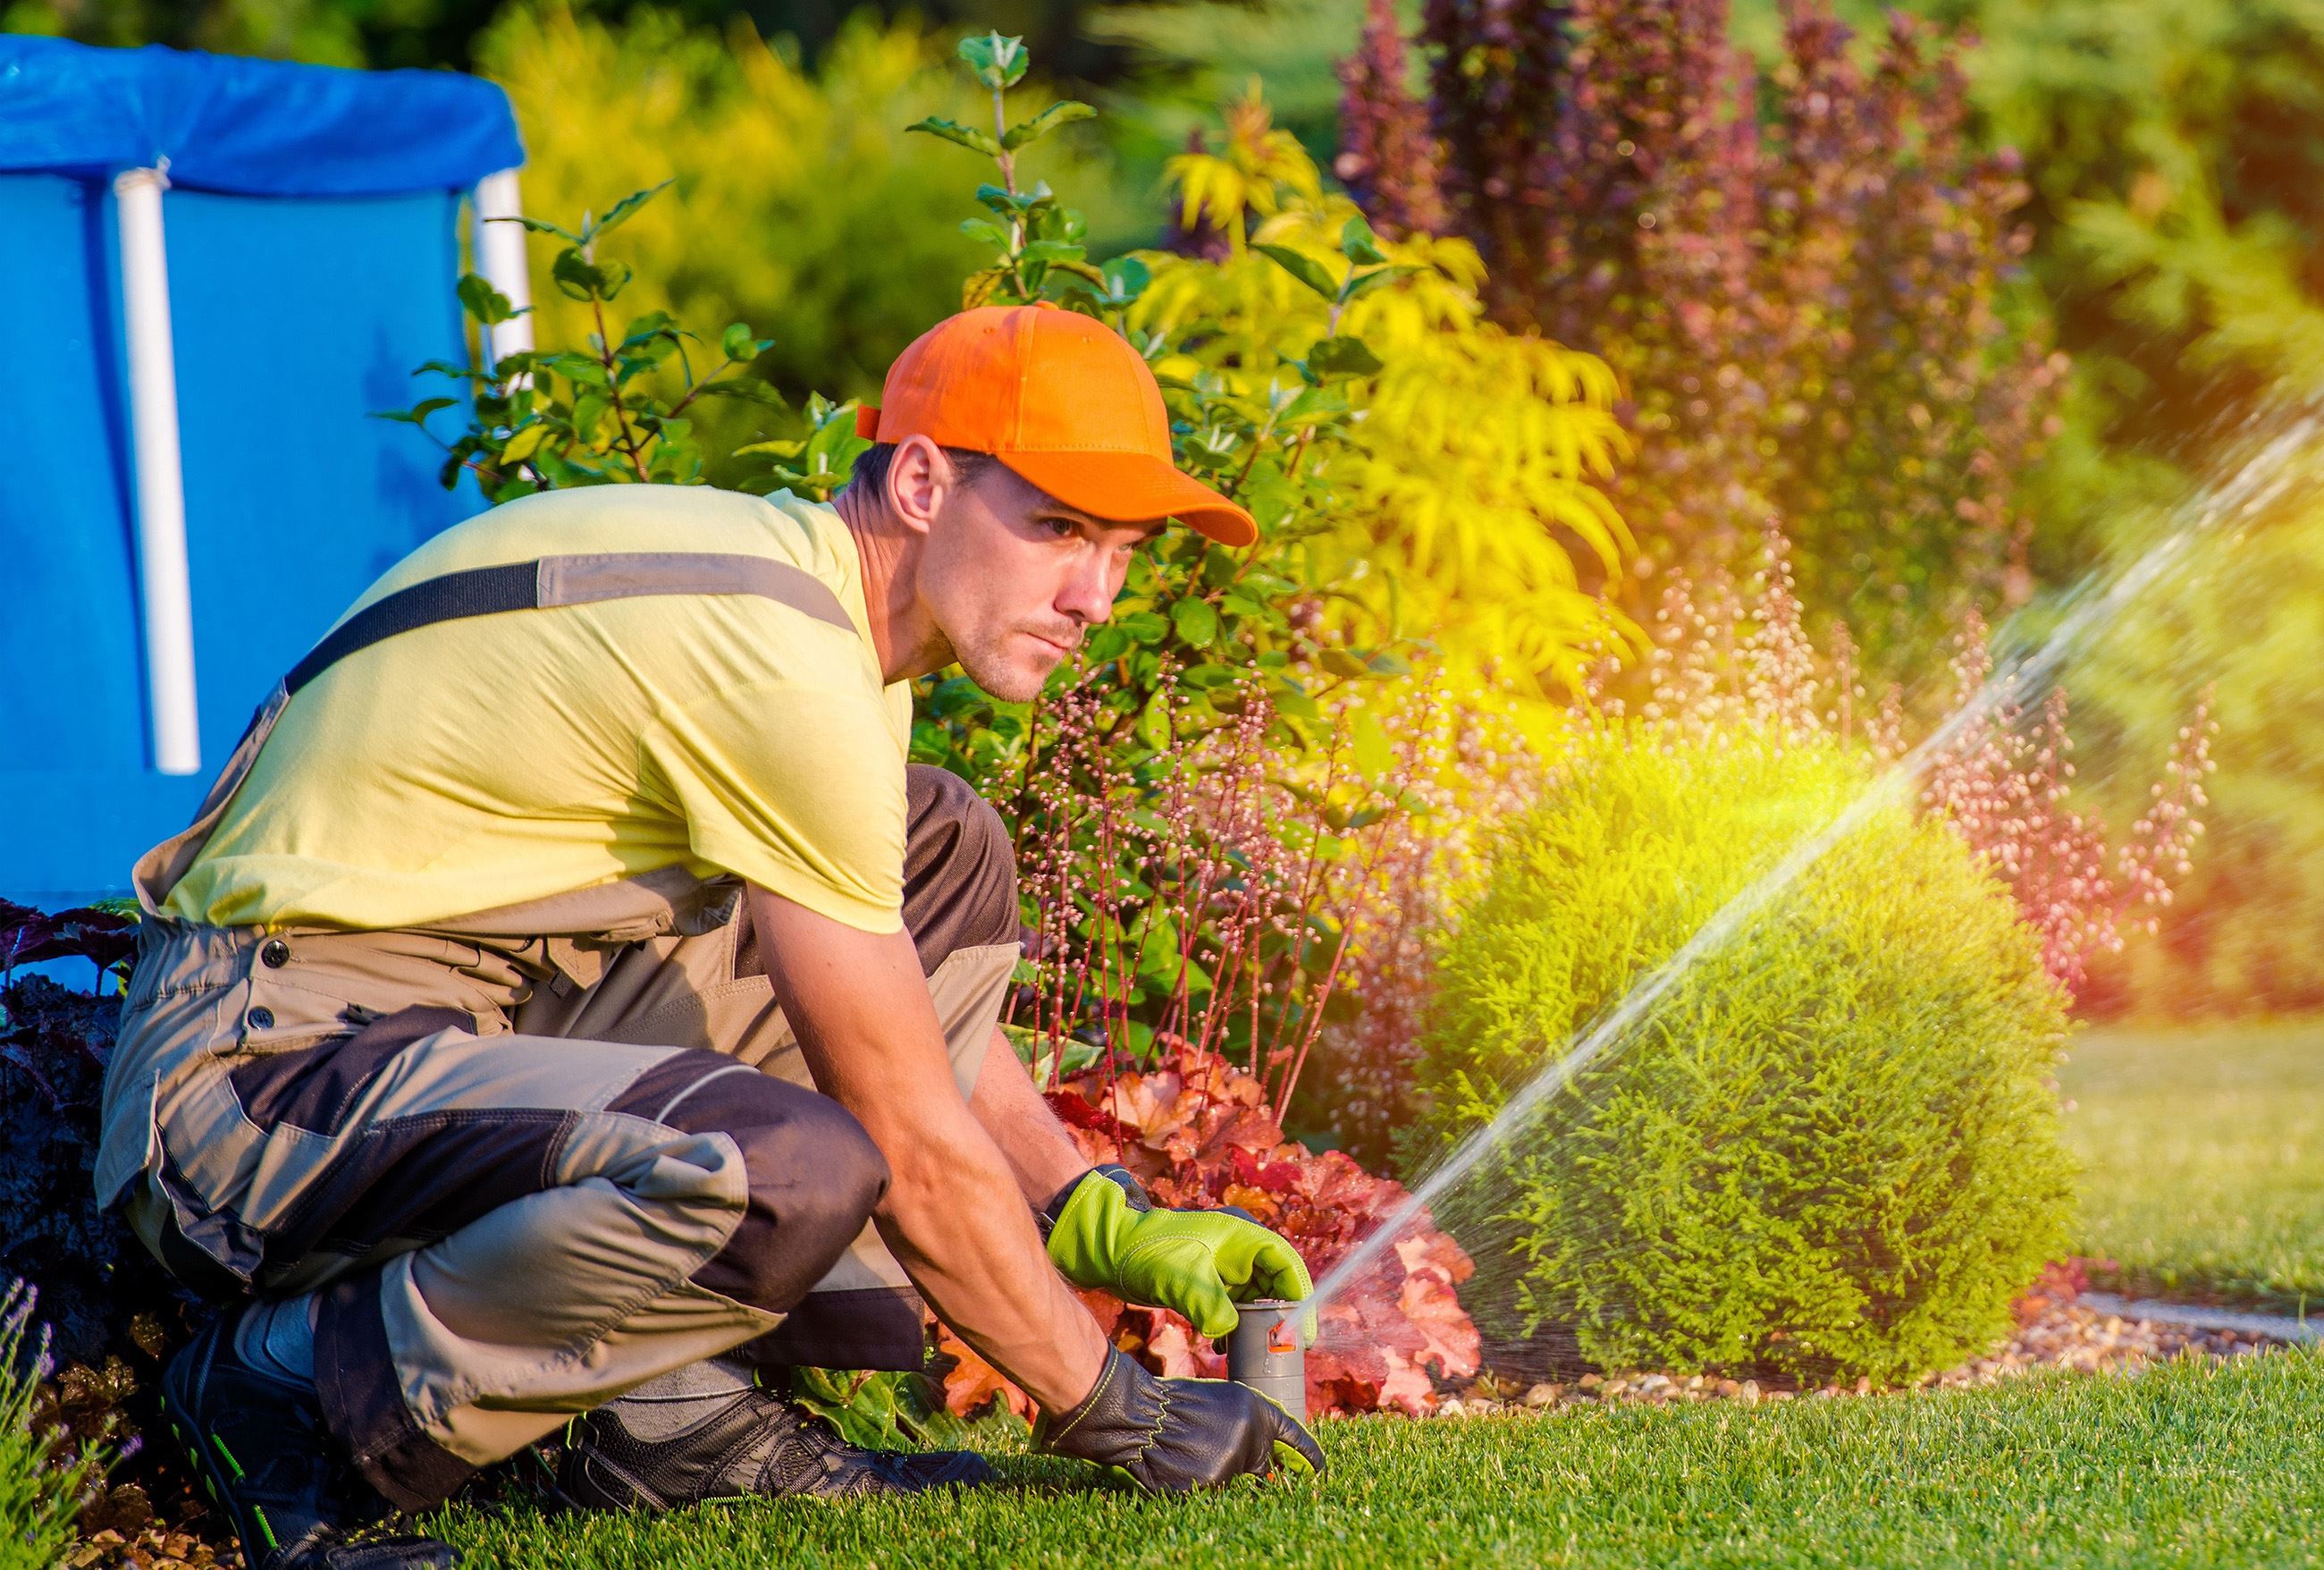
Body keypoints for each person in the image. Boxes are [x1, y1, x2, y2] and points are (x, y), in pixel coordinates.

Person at [97, 301, 1326, 1570]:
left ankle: (655, 1422)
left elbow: (894, 1009)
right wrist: (1113, 1408)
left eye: (1121, 550)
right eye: (1059, 530)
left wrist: (1081, 1206)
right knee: (776, 1172)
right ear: (919, 482)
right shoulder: (783, 656)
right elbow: (899, 1121)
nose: (1097, 598)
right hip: (256, 1081)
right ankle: (292, 1392)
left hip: (459, 1023)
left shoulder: (822, 628)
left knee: (939, 847)